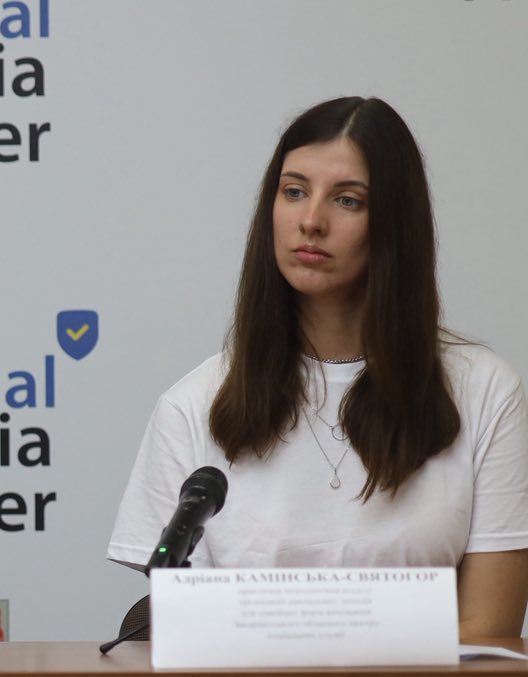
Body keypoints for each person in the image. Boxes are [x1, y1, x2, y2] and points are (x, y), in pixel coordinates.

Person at [107, 97, 528, 637]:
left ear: (395, 223)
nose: (311, 221)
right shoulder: (194, 404)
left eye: (348, 200)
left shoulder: (483, 391)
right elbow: (192, 632)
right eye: (294, 191)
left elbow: (490, 630)